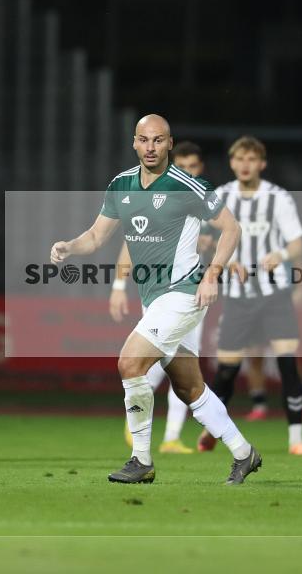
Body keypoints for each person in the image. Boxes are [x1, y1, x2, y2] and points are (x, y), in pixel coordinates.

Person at [51, 114, 262, 484]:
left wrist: (212, 274)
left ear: (169, 143)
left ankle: (141, 459)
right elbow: (97, 236)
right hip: (154, 299)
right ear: (134, 143)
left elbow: (232, 228)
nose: (150, 147)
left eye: (158, 140)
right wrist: (70, 246)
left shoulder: (187, 185)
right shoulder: (121, 185)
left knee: (130, 363)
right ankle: (244, 453)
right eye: (144, 140)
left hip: (183, 293)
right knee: (188, 387)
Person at [196, 136, 302, 456]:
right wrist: (225, 259)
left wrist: (280, 255)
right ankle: (212, 429)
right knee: (227, 370)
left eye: (251, 159)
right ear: (232, 163)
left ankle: (296, 440)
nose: (245, 164)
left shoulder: (278, 198)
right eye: (239, 159)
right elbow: (203, 239)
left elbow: (297, 244)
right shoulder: (221, 196)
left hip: (275, 293)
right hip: (237, 296)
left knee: (287, 361)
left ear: (262, 163)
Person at [110, 141, 213, 455]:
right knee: (164, 362)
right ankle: (140, 421)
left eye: (193, 167)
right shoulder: (157, 198)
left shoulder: (204, 198)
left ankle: (169, 437)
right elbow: (131, 242)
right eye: (182, 166)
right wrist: (117, 285)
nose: (187, 172)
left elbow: (227, 239)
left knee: (182, 363)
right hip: (161, 294)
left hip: (193, 292)